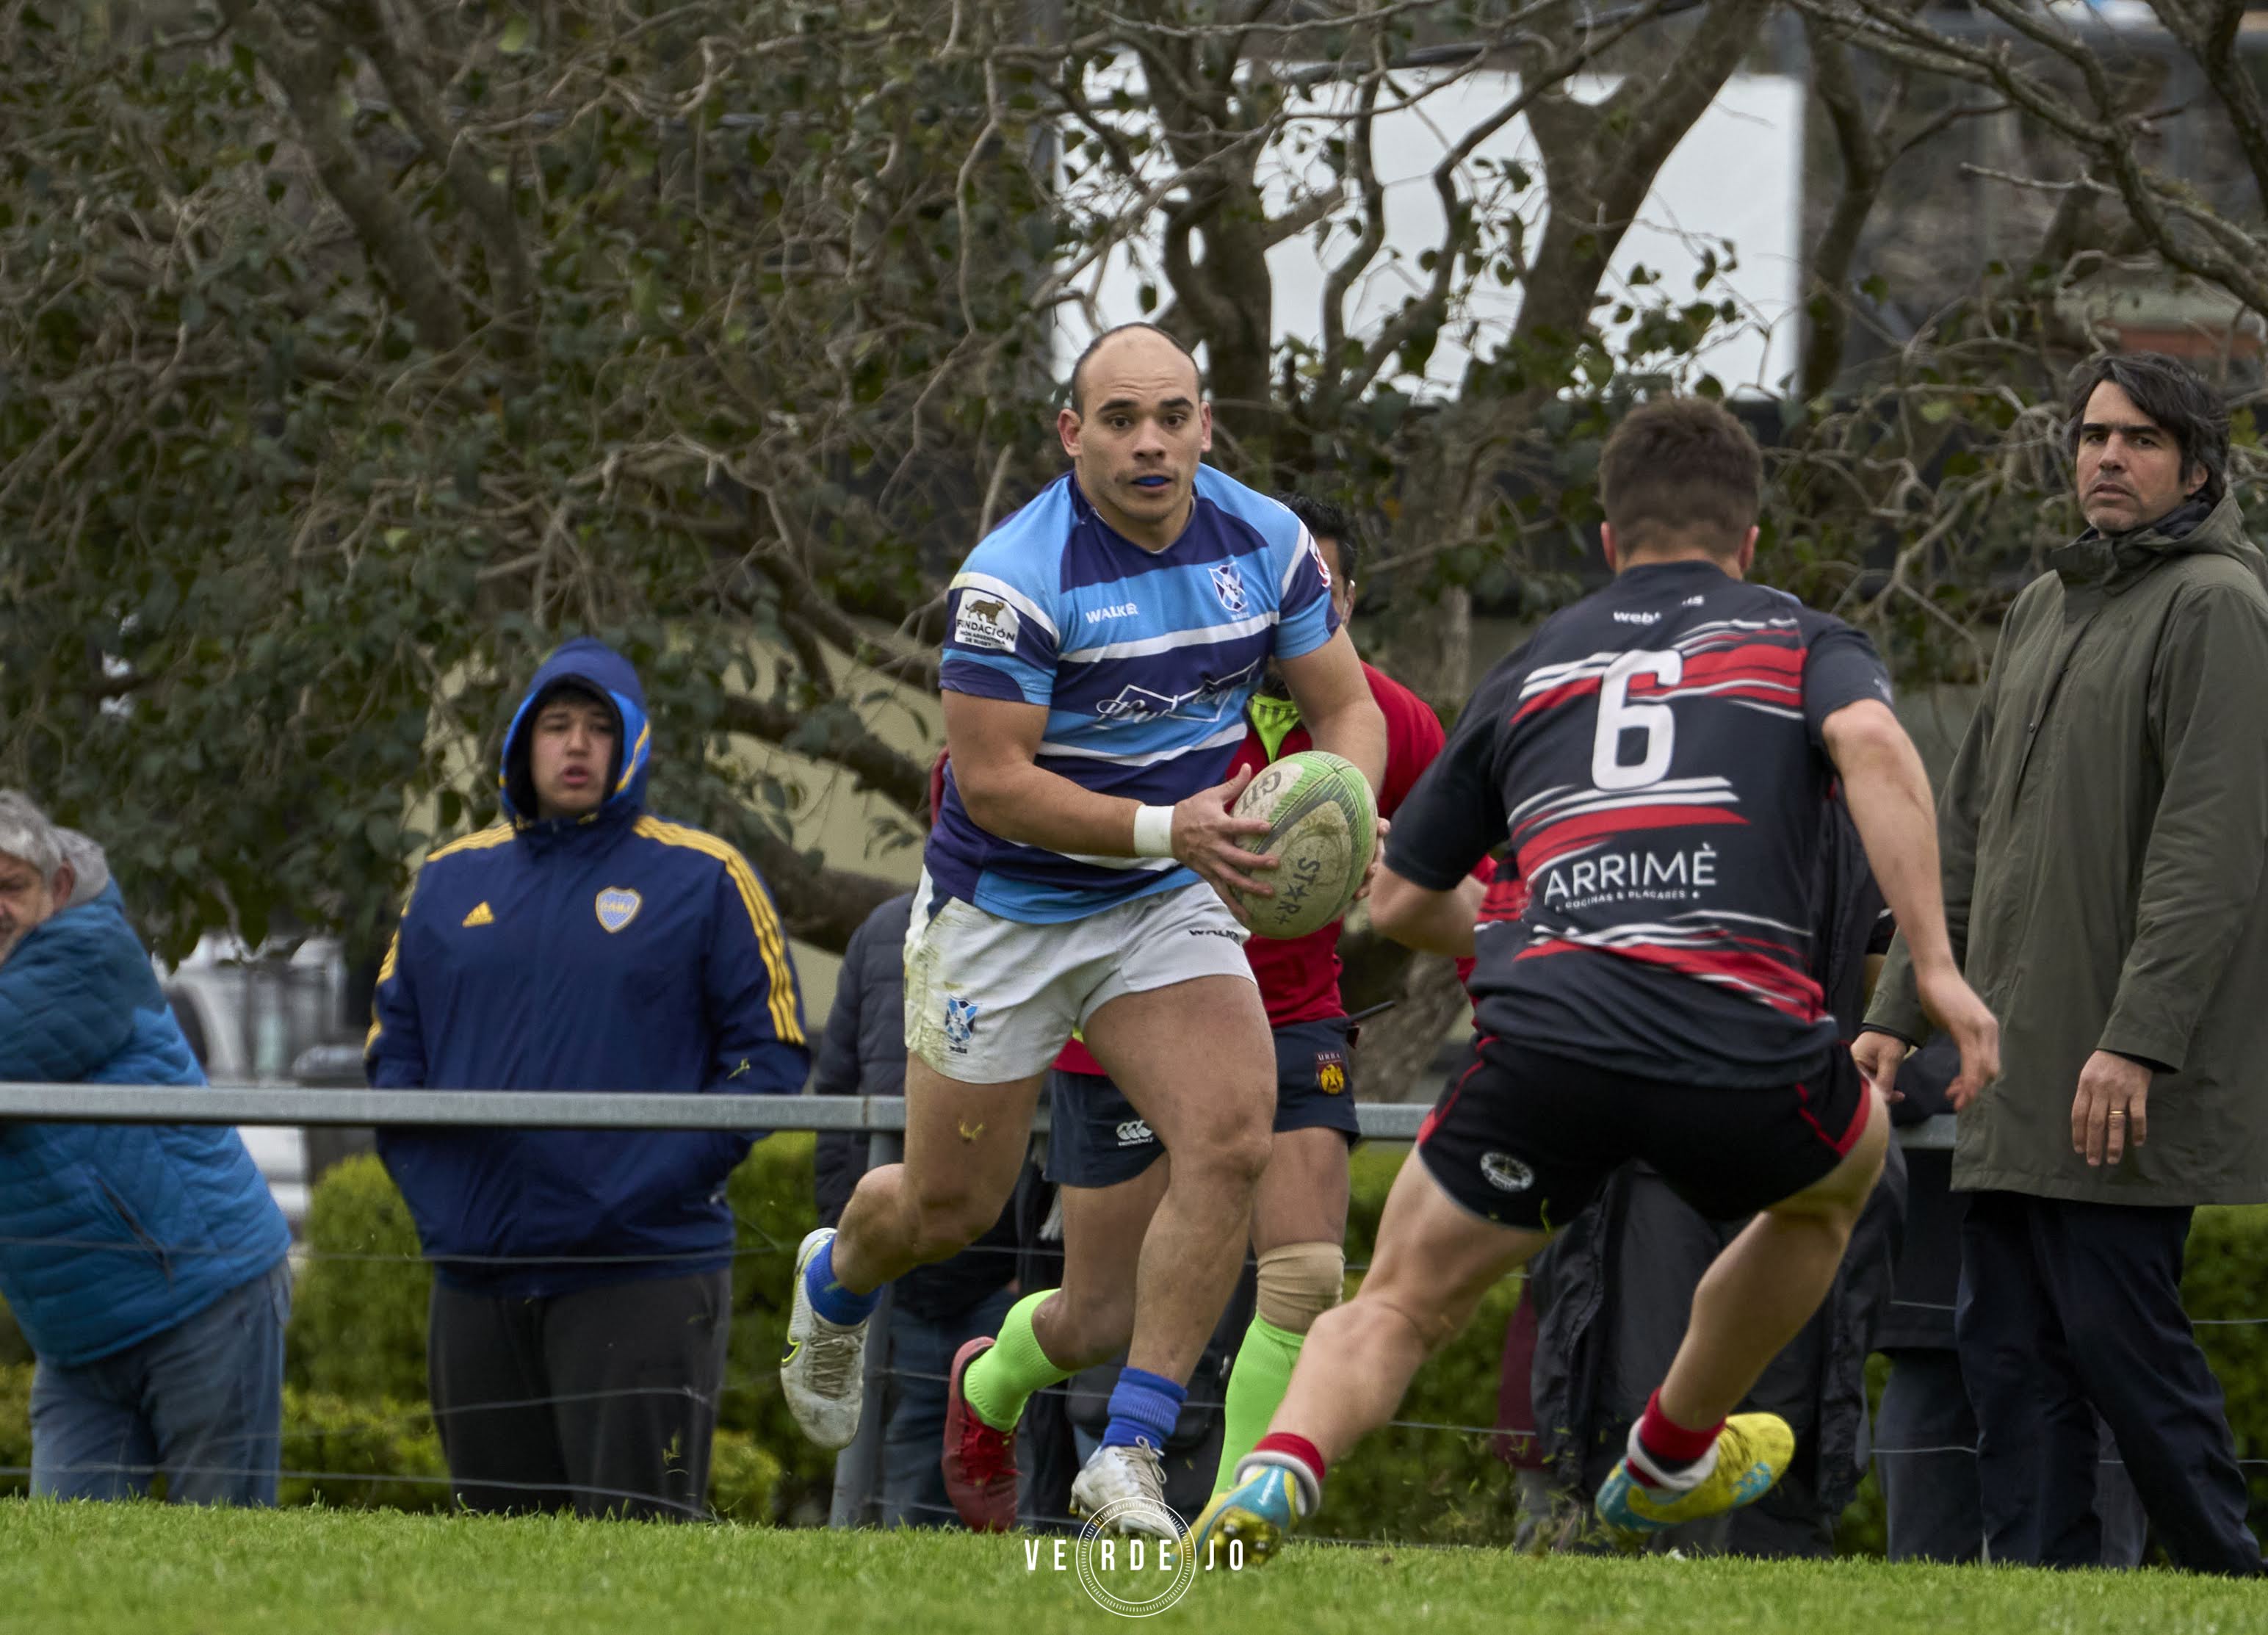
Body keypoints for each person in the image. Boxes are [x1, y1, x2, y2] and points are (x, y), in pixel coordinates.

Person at [1192, 394, 1998, 1560]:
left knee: (1401, 1300)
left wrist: (1530, 945)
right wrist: (1936, 967)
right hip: (1737, 1037)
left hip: (1549, 1042)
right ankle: (1672, 1449)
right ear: (1750, 539)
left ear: (1610, 543)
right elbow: (1873, 746)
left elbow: (1406, 900)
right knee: (1843, 1174)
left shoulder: (1537, 659)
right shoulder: (1802, 638)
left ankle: (1279, 1469)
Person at [779, 322, 1387, 1539]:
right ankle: (832, 1276)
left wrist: (1346, 816)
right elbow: (992, 781)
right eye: (1119, 419)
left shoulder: (1265, 543)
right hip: (1004, 914)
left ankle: (1129, 1451)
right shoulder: (1013, 578)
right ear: (1072, 435)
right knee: (949, 1207)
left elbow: (1348, 706)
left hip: (1157, 904)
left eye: (1171, 414)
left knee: (1229, 1136)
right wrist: (1176, 830)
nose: (1149, 441)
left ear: (1206, 423)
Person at [935, 497, 1443, 1531]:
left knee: (1304, 1278)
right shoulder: (1135, 686)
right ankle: (990, 1382)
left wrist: (1389, 867)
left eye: (1327, 596)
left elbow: (1456, 873)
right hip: (1126, 1009)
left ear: (1342, 606)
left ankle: (1231, 1523)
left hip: (1296, 1009)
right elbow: (983, 789)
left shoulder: (1387, 718)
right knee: (1099, 1315)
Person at [1857, 352, 2268, 1576]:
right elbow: (1970, 829)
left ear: (2195, 467)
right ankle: (2042, 1591)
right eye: (2090, 435)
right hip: (2011, 1067)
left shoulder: (2219, 609)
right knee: (2007, 1352)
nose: (2103, 456)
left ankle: (2223, 1581)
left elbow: (2209, 854)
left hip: (2118, 1069)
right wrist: (1896, 1008)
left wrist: (2136, 1039)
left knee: (2117, 1342)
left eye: (2137, 440)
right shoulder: (2042, 604)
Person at [366, 637, 809, 1521]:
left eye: (599, 727)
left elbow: (771, 1057)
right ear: (521, 745)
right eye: (556, 725)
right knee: (493, 1551)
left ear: (633, 744)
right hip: (477, 1271)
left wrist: (650, 1181)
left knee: (634, 1545)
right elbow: (392, 1059)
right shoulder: (448, 882)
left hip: (640, 1268)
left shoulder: (705, 876)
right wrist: (445, 1206)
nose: (576, 745)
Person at [1522, 798, 1909, 1558]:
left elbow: (1883, 980)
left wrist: (1887, 1049)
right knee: (1630, 1412)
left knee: (1783, 1428)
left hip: (1794, 1141)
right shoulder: (1639, 778)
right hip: (1643, 1157)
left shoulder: (1860, 805)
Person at [0, 793, 292, 1506]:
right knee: (67, 1572)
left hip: (202, 1298)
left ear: (58, 888)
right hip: (79, 1339)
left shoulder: (86, 955)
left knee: (222, 1557)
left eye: (11, 887)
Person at [809, 757, 1019, 1529]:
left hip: (1005, 1290)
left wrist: (1030, 1272)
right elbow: (838, 1107)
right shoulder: (882, 934)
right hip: (904, 1282)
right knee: (906, 1478)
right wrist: (859, 1249)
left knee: (1018, 1482)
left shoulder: (1059, 938)